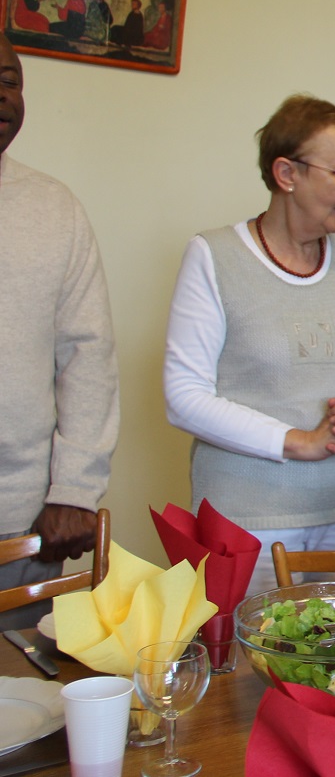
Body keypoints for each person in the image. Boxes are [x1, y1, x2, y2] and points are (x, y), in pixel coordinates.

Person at [164, 94, 335, 593]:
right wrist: (300, 442)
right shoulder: (213, 255)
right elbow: (184, 397)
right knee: (252, 646)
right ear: (287, 173)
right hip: (249, 519)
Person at [0, 36, 119, 631]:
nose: (2, 96)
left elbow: (88, 356)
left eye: (10, 81)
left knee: (23, 684)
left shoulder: (54, 208)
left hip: (19, 527)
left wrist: (74, 488)